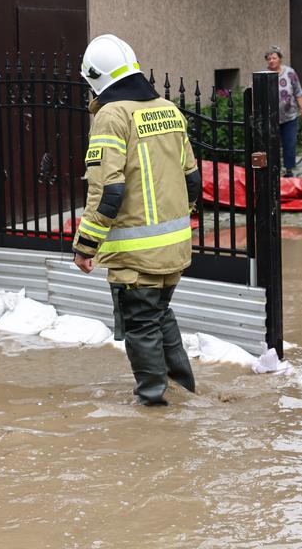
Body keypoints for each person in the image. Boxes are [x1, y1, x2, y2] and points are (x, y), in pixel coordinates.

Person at [72, 34, 201, 406]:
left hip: (135, 255)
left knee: (141, 325)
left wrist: (85, 246)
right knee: (159, 315)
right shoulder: (168, 109)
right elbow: (192, 180)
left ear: (95, 77)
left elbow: (108, 191)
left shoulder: (112, 116)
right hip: (175, 247)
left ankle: (153, 404)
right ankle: (184, 393)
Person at [265, 45, 302, 178]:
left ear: (280, 59)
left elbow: (298, 92)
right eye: (269, 59)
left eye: (274, 58)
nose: (271, 61)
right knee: (272, 145)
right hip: (270, 118)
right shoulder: (264, 75)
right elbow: (255, 93)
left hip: (289, 116)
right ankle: (273, 169)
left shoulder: (289, 73)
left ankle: (288, 170)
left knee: (289, 143)